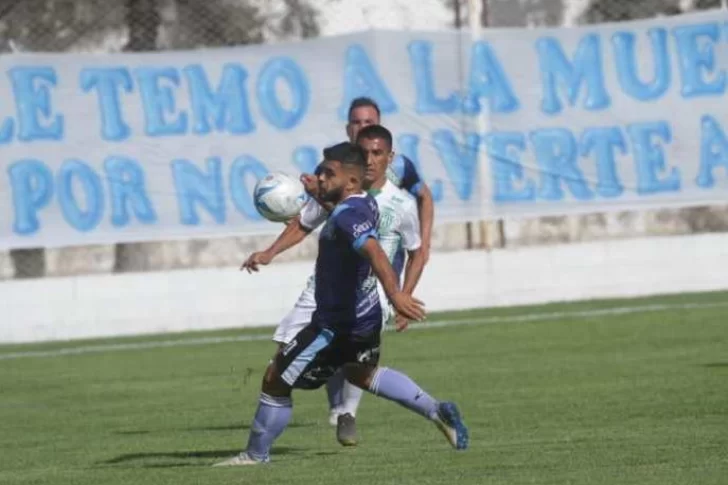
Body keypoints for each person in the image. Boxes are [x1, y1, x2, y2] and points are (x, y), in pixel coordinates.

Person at [214, 142, 468, 466]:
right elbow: (330, 216)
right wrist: (310, 203)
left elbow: (374, 251)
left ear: (350, 182)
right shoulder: (360, 203)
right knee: (362, 374)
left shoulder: (349, 216)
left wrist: (397, 294)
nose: (319, 177)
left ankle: (255, 455)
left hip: (334, 326)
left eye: (327, 173)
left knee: (275, 379)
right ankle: (437, 410)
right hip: (365, 317)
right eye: (321, 170)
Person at [242, 125, 427, 446]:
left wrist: (400, 294)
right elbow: (309, 221)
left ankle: (341, 414)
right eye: (363, 150)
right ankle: (433, 409)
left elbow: (396, 246)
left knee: (283, 374)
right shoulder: (339, 190)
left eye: (377, 152)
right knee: (350, 369)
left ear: (389, 156)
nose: (370, 158)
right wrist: (271, 251)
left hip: (369, 294)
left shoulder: (398, 199)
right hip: (324, 289)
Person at [299, 97, 436, 436]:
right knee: (329, 344)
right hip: (335, 274)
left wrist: (416, 261)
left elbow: (424, 199)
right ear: (349, 129)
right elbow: (315, 214)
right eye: (357, 123)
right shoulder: (336, 168)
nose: (362, 128)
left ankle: (347, 412)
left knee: (352, 347)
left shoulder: (399, 169)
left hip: (379, 276)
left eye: (368, 122)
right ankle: (339, 408)